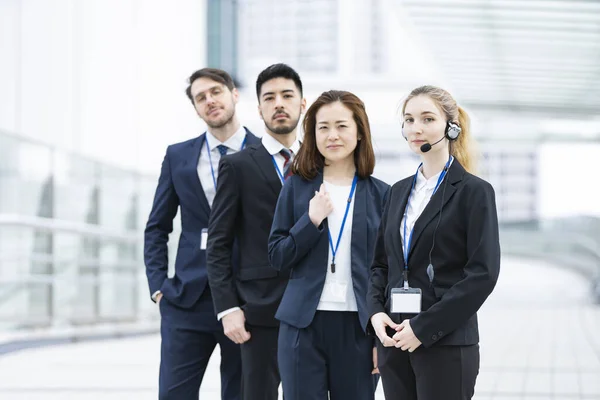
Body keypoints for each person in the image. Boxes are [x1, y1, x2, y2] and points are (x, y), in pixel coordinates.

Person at [367, 85, 501, 400]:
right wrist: (375, 313)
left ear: (451, 127)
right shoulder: (396, 192)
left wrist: (424, 328)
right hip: (395, 341)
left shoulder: (474, 192)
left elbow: (483, 274)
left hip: (446, 344)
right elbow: (380, 264)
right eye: (409, 119)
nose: (416, 128)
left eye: (427, 119)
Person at [144, 67, 260, 400]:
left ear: (234, 94)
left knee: (241, 394)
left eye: (216, 92)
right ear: (196, 108)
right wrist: (158, 287)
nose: (210, 100)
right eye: (201, 97)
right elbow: (157, 227)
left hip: (246, 299)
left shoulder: (265, 152)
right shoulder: (178, 156)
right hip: (187, 299)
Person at [268, 90, 389, 400]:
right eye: (323, 127)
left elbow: (388, 271)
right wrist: (310, 221)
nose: (332, 135)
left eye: (341, 126)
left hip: (359, 327)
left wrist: (381, 338)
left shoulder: (382, 195)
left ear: (360, 132)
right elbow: (278, 256)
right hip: (302, 326)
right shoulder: (296, 187)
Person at [206, 63, 306, 400]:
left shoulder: (322, 162)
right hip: (259, 310)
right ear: (259, 107)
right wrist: (227, 308)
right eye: (270, 97)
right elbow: (218, 244)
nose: (279, 103)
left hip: (315, 305)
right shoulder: (237, 165)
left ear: (302, 104)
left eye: (287, 95)